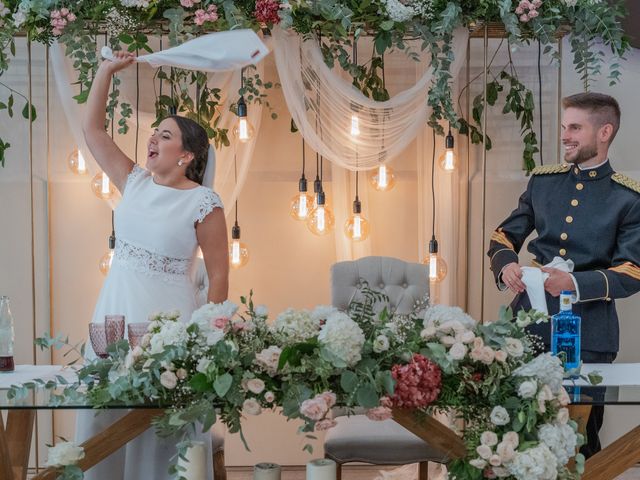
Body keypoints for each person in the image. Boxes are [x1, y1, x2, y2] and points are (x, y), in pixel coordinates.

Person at [75, 50, 229, 479]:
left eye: (164, 135)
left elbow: (218, 275)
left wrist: (205, 339)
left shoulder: (203, 202)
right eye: (154, 133)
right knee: (105, 419)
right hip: (113, 313)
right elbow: (92, 129)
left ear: (186, 155)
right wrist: (105, 69)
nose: (152, 140)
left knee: (160, 428)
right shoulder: (134, 181)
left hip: (167, 324)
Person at [487, 92, 640, 458]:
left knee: (579, 436)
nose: (565, 135)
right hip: (529, 325)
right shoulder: (544, 182)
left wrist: (572, 282)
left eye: (575, 127)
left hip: (590, 332)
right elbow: (503, 236)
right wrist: (507, 264)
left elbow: (631, 271)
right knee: (517, 430)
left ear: (604, 132)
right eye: (564, 126)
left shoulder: (627, 198)